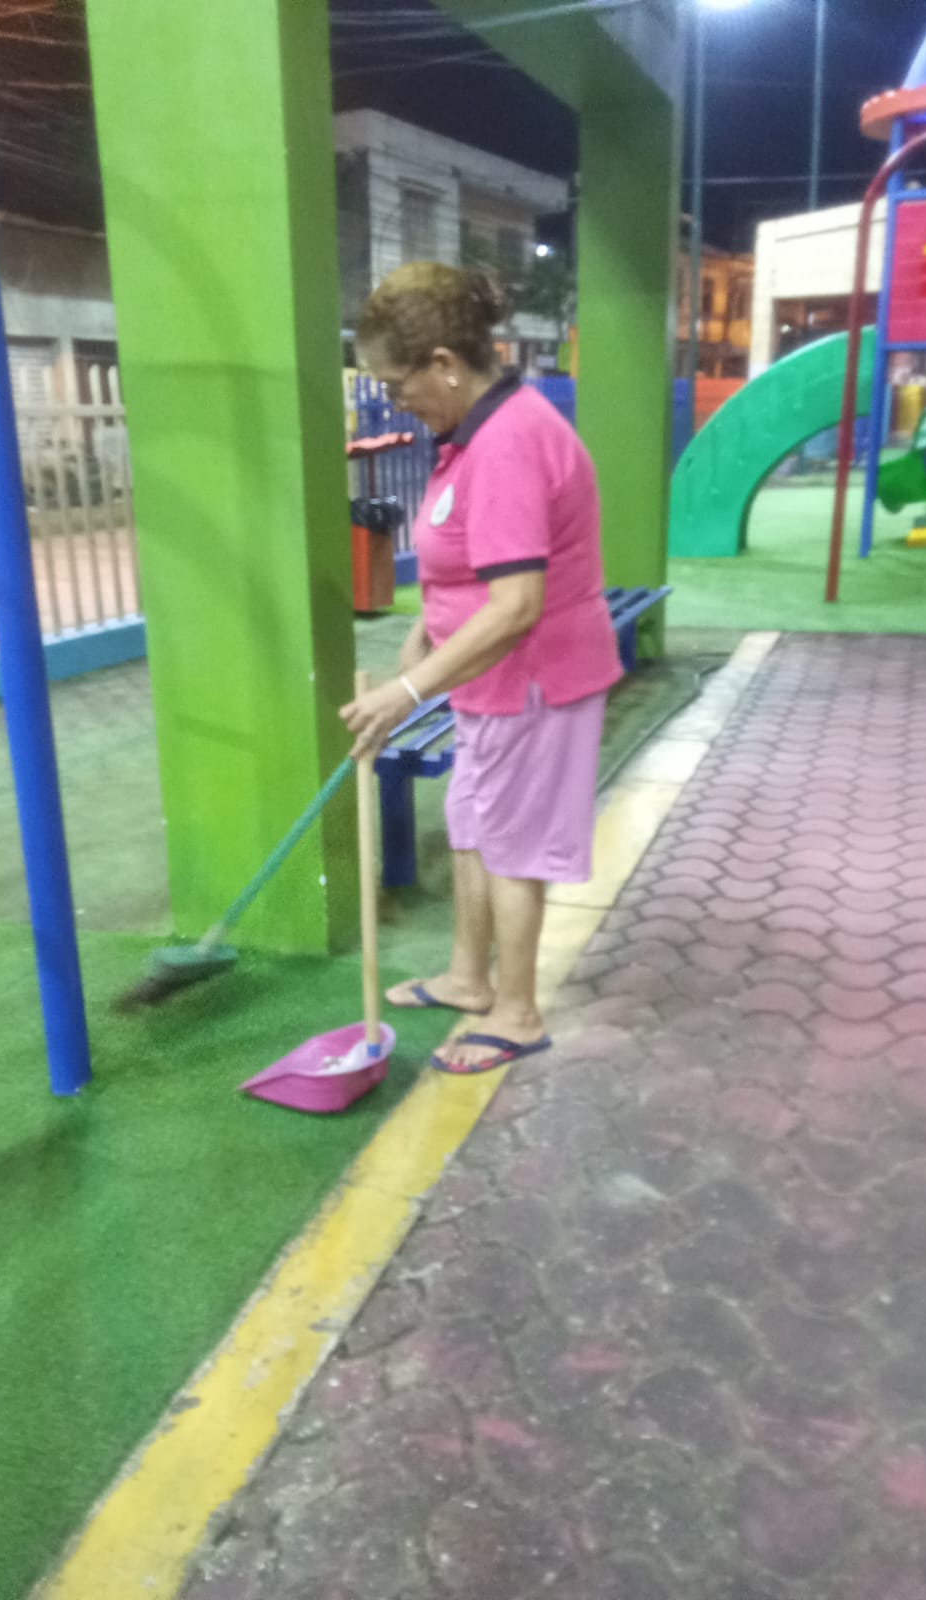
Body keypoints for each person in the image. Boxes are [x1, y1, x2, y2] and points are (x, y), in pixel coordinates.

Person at [341, 262, 623, 1075]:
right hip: (489, 681)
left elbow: (517, 604)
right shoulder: (473, 434)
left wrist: (405, 692)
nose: (396, 400)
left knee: (513, 845)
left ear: (444, 363)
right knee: (474, 822)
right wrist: (427, 633)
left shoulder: (507, 443)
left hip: (533, 680)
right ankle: (469, 978)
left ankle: (518, 1012)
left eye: (397, 384)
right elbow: (469, 559)